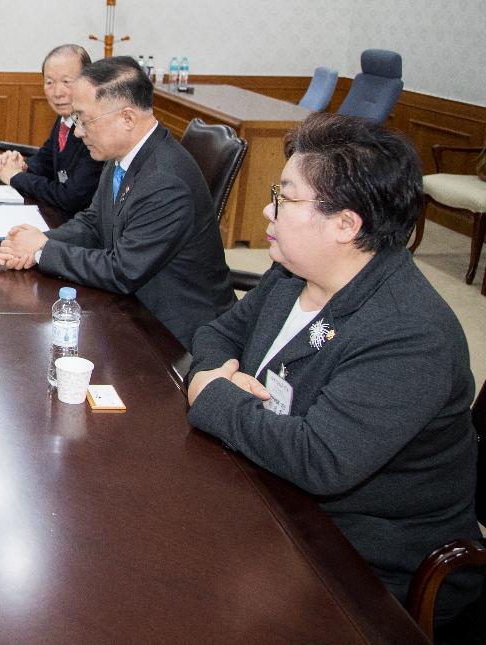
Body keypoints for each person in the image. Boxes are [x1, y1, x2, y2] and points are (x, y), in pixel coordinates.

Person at [185, 113, 481, 628]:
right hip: (274, 494)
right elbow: (218, 334)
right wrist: (221, 377)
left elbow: (320, 459)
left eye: (283, 197)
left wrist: (213, 394)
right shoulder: (292, 272)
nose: (265, 209)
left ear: (346, 224)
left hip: (365, 558)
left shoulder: (410, 335)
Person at [0, 56, 234, 347]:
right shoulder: (122, 154)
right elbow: (94, 222)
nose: (79, 131)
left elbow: (122, 270)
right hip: (134, 308)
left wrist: (44, 250)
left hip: (178, 335)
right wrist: (37, 243)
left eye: (84, 119)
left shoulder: (165, 181)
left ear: (128, 118)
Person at [0, 43, 103, 215]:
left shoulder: (95, 127)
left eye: (67, 82)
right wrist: (20, 165)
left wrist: (16, 177)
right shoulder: (66, 117)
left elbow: (71, 197)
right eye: (49, 82)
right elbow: (45, 161)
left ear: (88, 82)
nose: (57, 92)